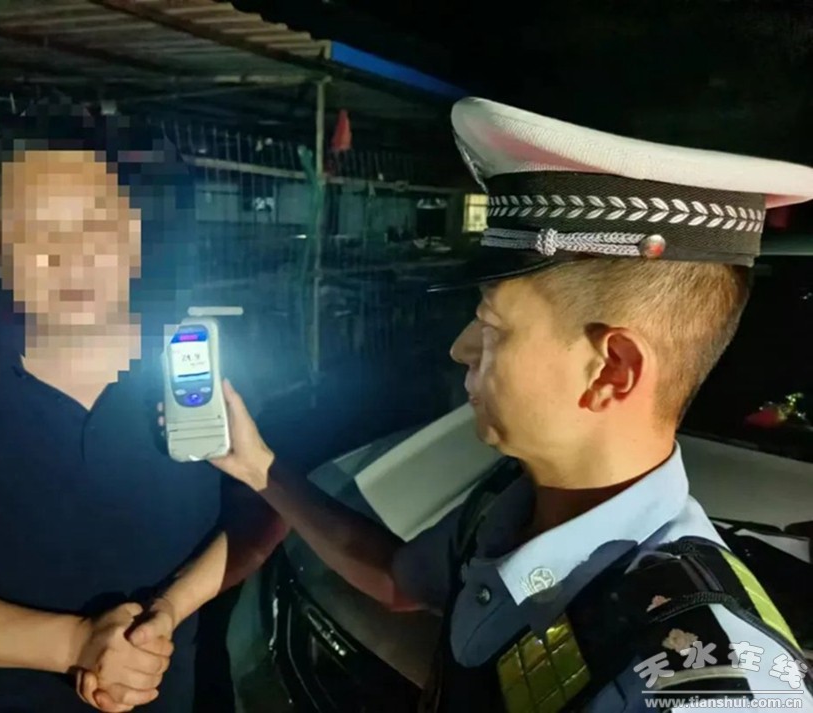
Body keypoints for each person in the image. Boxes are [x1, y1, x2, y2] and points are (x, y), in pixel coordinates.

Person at [201, 98, 813, 711]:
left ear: (612, 371)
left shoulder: (709, 686)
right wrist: (259, 468)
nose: (460, 349)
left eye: (492, 328)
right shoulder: (507, 503)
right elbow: (396, 579)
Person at [0, 103, 286, 713]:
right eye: (36, 226)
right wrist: (76, 643)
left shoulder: (200, 370)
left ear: (134, 234)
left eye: (96, 222)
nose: (70, 255)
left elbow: (262, 515)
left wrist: (168, 610)